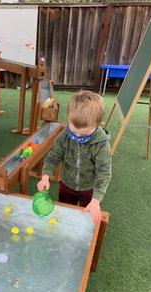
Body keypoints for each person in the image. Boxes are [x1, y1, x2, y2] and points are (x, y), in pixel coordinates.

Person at [37, 90, 111, 223]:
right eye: (74, 131)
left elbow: (104, 173)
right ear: (68, 119)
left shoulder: (102, 144)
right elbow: (53, 157)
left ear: (97, 125)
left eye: (84, 134)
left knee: (87, 218)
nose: (77, 137)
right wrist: (45, 177)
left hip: (90, 189)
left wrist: (96, 200)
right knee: (64, 215)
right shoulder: (65, 135)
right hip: (67, 184)